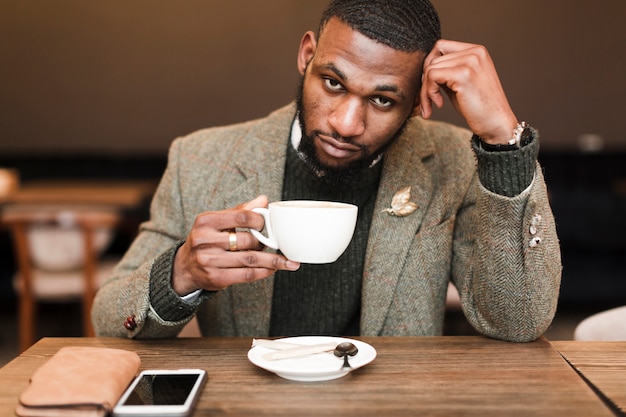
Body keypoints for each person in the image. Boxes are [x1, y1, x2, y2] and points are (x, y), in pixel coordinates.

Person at [92, 0, 562, 343]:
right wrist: (181, 274)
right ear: (306, 56)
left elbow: (517, 321)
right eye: (333, 83)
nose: (345, 124)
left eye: (382, 99)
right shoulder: (201, 159)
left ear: (421, 96)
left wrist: (504, 140)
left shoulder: (454, 161)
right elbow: (109, 319)